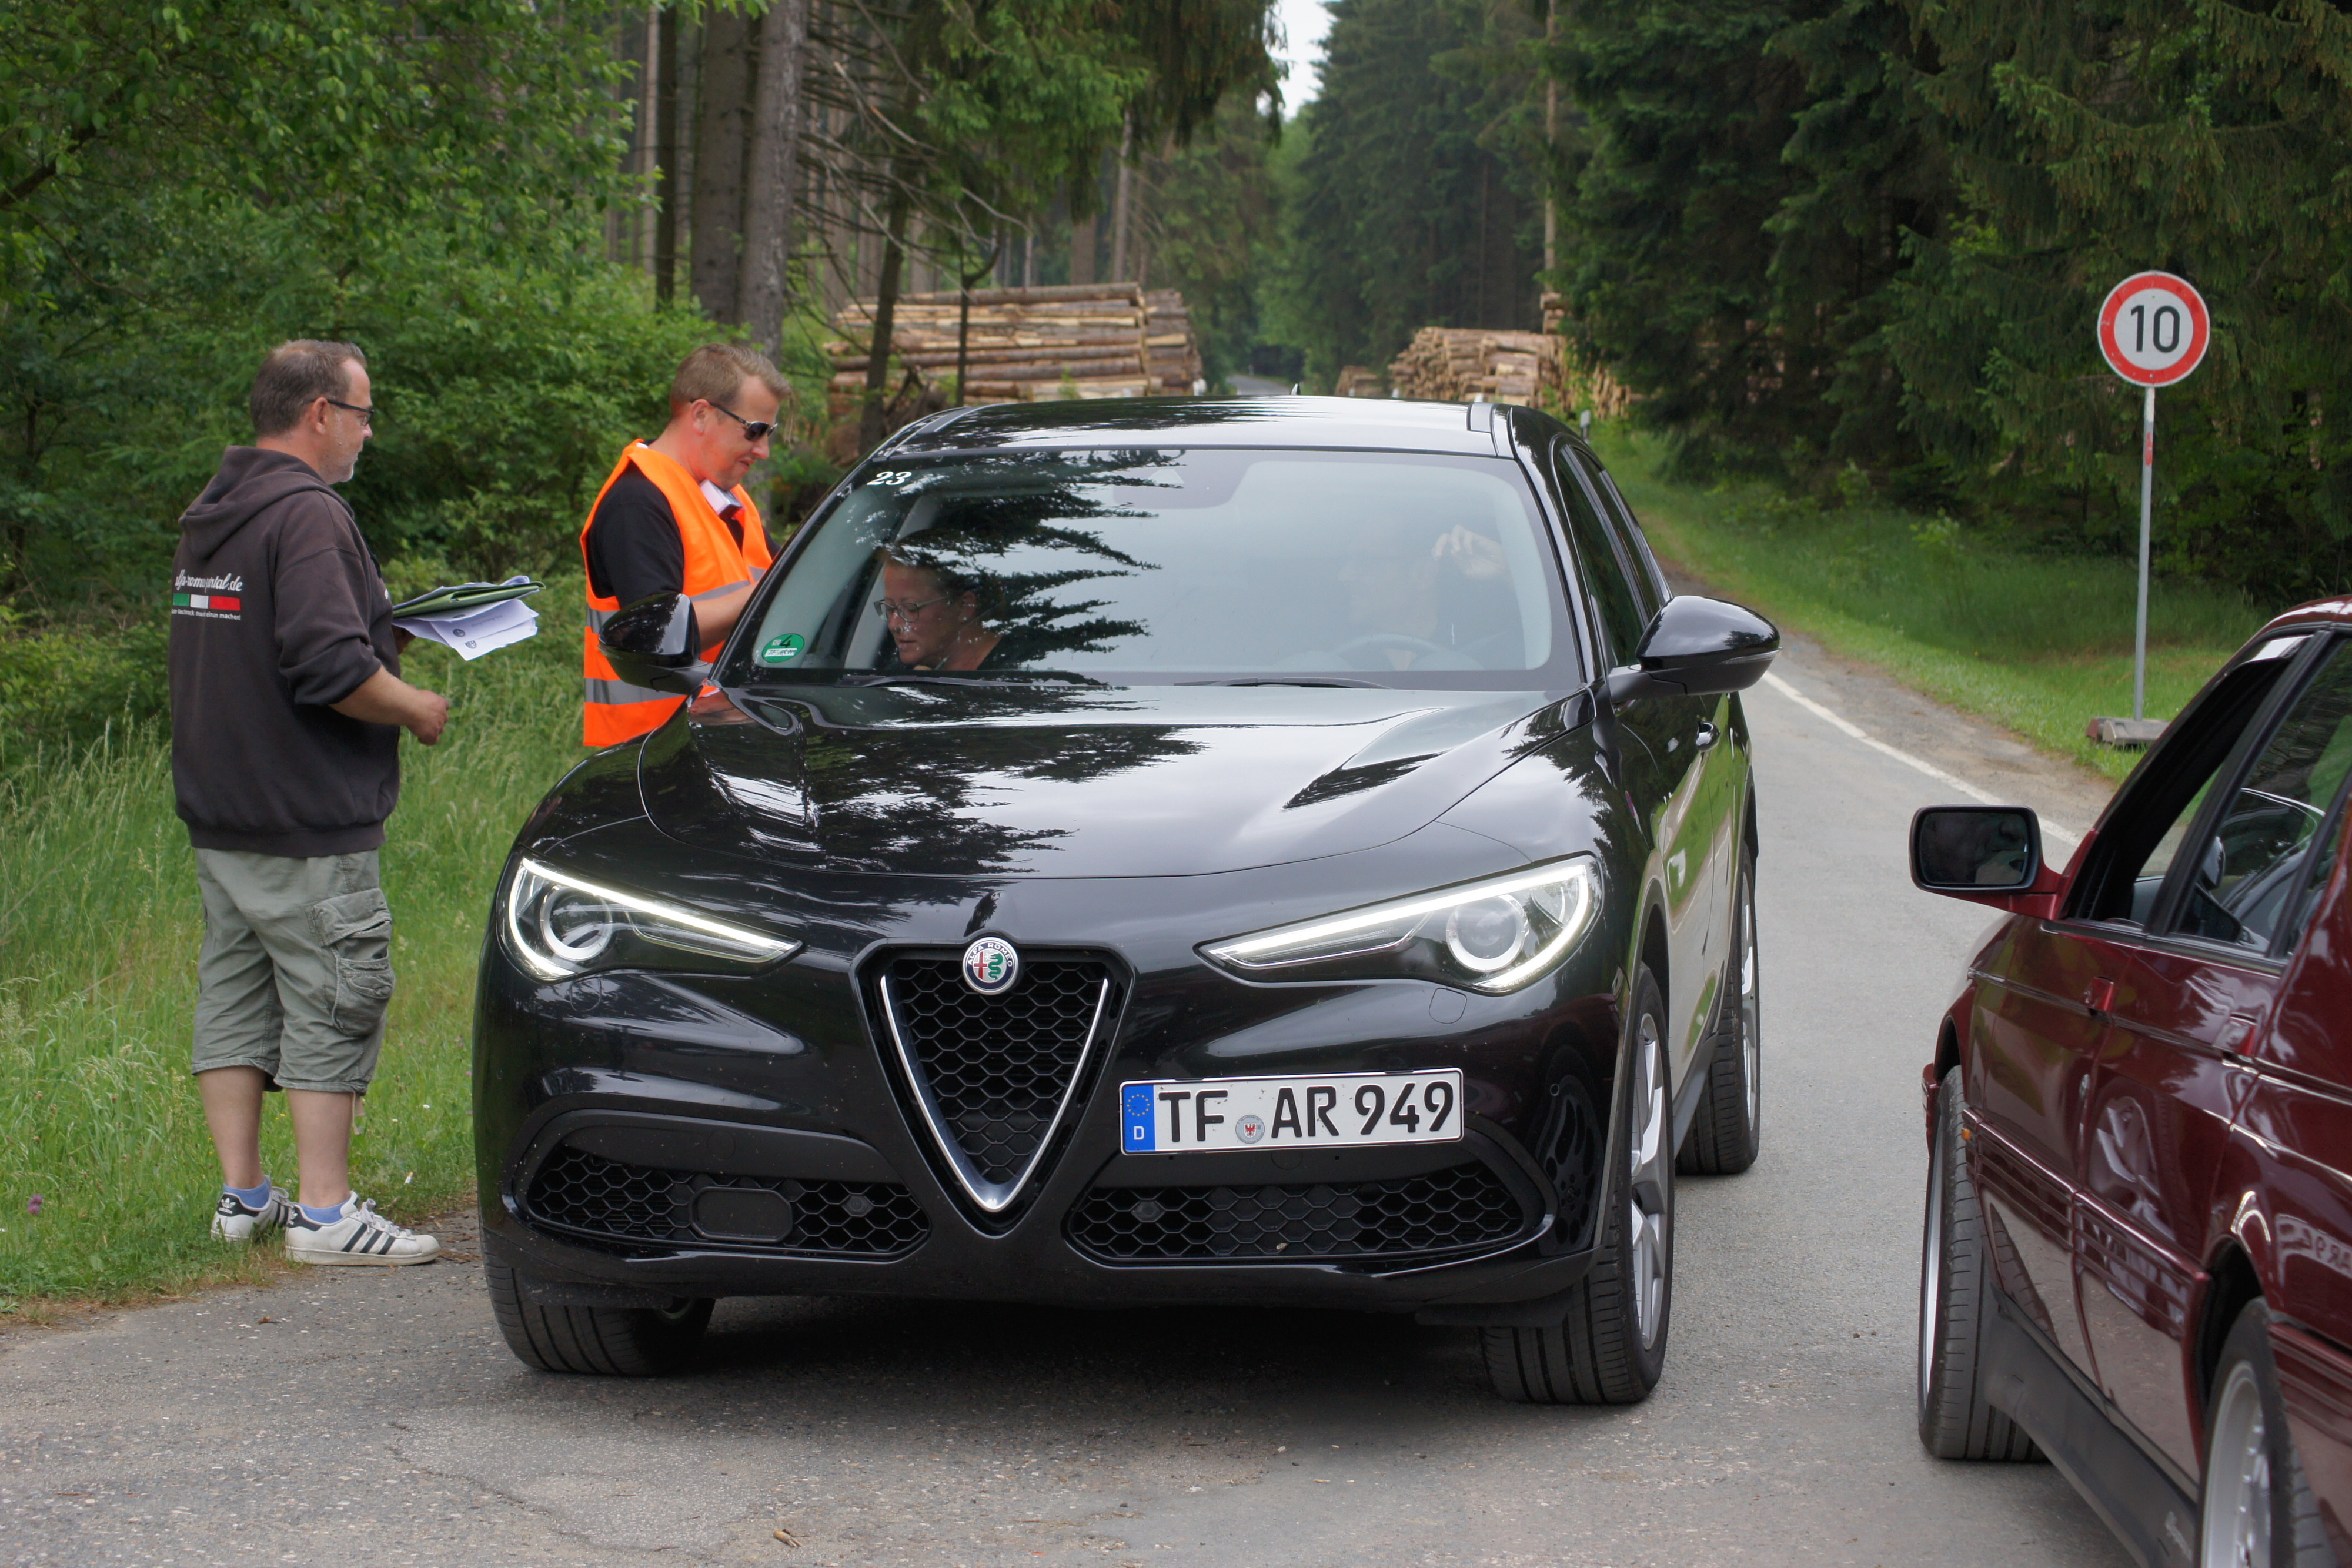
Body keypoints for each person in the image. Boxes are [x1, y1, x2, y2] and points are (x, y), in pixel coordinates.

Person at [170, 339, 447, 1266]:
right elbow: (329, 669)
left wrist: (380, 627)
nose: (369, 433)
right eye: (364, 413)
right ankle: (328, 1214)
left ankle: (244, 1197)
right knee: (336, 993)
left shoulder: (216, 513)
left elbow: (262, 639)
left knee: (238, 995)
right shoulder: (311, 516)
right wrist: (414, 705)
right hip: (307, 811)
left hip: (226, 809)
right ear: (321, 412)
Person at [581, 343, 788, 744]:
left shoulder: (730, 500)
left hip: (716, 743)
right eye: (755, 430)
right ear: (702, 415)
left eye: (769, 433)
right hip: (649, 757)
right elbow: (657, 635)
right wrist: (774, 590)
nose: (763, 450)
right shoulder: (636, 503)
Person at [877, 551, 1003, 671]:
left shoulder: (1015, 674)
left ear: (964, 606)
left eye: (911, 609)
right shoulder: (896, 674)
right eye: (889, 608)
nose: (893, 625)